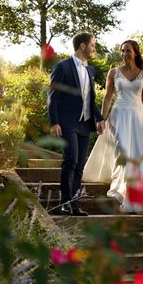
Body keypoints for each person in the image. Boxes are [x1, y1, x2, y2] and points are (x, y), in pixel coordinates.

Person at [82, 39, 143, 213]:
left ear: (135, 52)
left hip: (138, 117)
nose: (124, 54)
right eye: (122, 51)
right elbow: (107, 97)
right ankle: (121, 191)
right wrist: (102, 119)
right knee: (123, 152)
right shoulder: (114, 72)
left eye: (128, 51)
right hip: (119, 115)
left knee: (138, 154)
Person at [47, 33, 106, 216]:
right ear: (82, 46)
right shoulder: (63, 67)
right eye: (92, 45)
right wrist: (54, 122)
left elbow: (90, 99)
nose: (94, 48)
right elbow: (53, 97)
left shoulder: (90, 70)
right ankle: (63, 203)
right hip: (67, 122)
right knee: (70, 160)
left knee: (80, 164)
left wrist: (99, 118)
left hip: (84, 124)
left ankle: (74, 204)